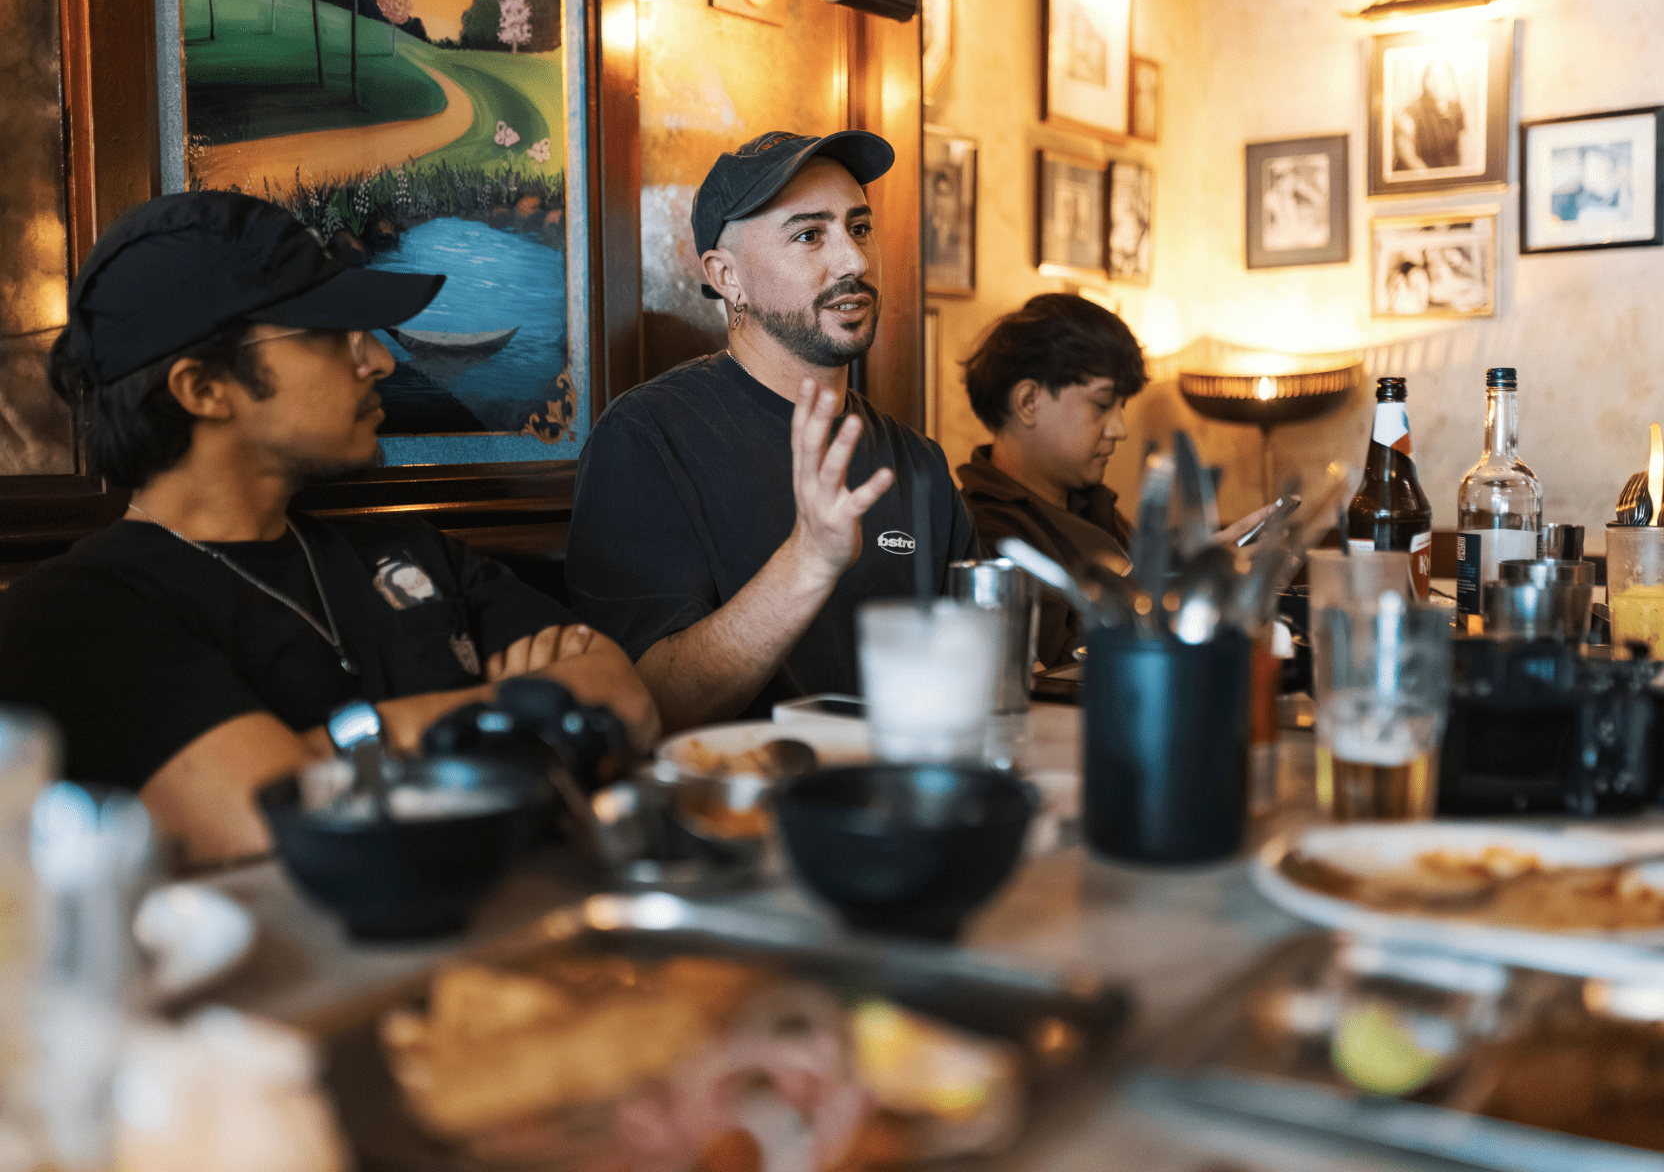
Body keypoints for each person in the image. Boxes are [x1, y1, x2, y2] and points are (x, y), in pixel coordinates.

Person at [0, 192, 657, 864]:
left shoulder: (415, 552)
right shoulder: (75, 612)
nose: (381, 360)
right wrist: (522, 707)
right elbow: (265, 811)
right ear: (202, 389)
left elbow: (627, 701)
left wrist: (329, 748)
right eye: (330, 333)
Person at [566, 130, 981, 732]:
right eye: (810, 235)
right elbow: (647, 702)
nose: (854, 261)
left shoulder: (916, 460)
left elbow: (975, 667)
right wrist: (809, 558)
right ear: (727, 276)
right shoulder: (647, 436)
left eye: (859, 228)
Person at [956, 294, 1269, 667]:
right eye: (1103, 405)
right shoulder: (979, 532)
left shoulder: (1092, 503)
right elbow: (1061, 665)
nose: (1119, 430)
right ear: (1027, 401)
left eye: (1121, 408)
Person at [1394, 59, 1465, 172]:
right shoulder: (1411, 112)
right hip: (1419, 180)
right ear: (1424, 81)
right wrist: (1432, 181)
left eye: (1443, 77)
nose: (1437, 83)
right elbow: (1407, 155)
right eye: (1432, 77)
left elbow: (1460, 148)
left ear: (1451, 79)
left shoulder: (1456, 109)